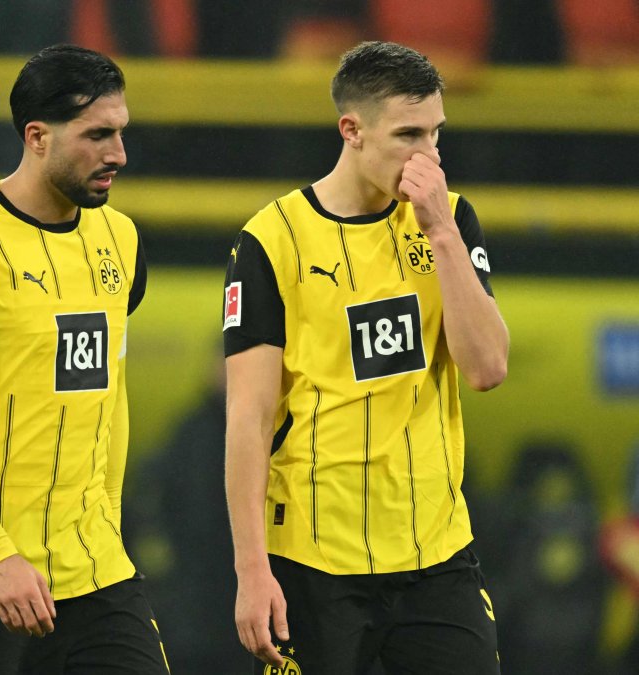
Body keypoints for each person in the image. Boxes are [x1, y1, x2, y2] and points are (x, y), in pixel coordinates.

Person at [222, 41, 509, 674]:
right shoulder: (272, 241)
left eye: (437, 134)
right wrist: (251, 569)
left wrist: (441, 233)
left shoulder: (451, 221)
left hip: (436, 557)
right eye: (409, 135)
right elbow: (249, 415)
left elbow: (487, 369)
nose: (429, 157)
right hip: (314, 563)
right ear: (351, 131)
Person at [0, 44, 169, 674]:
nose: (118, 155)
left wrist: (108, 519)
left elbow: (110, 393)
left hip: (94, 568)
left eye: (121, 133)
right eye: (97, 135)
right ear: (38, 136)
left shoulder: (120, 241)